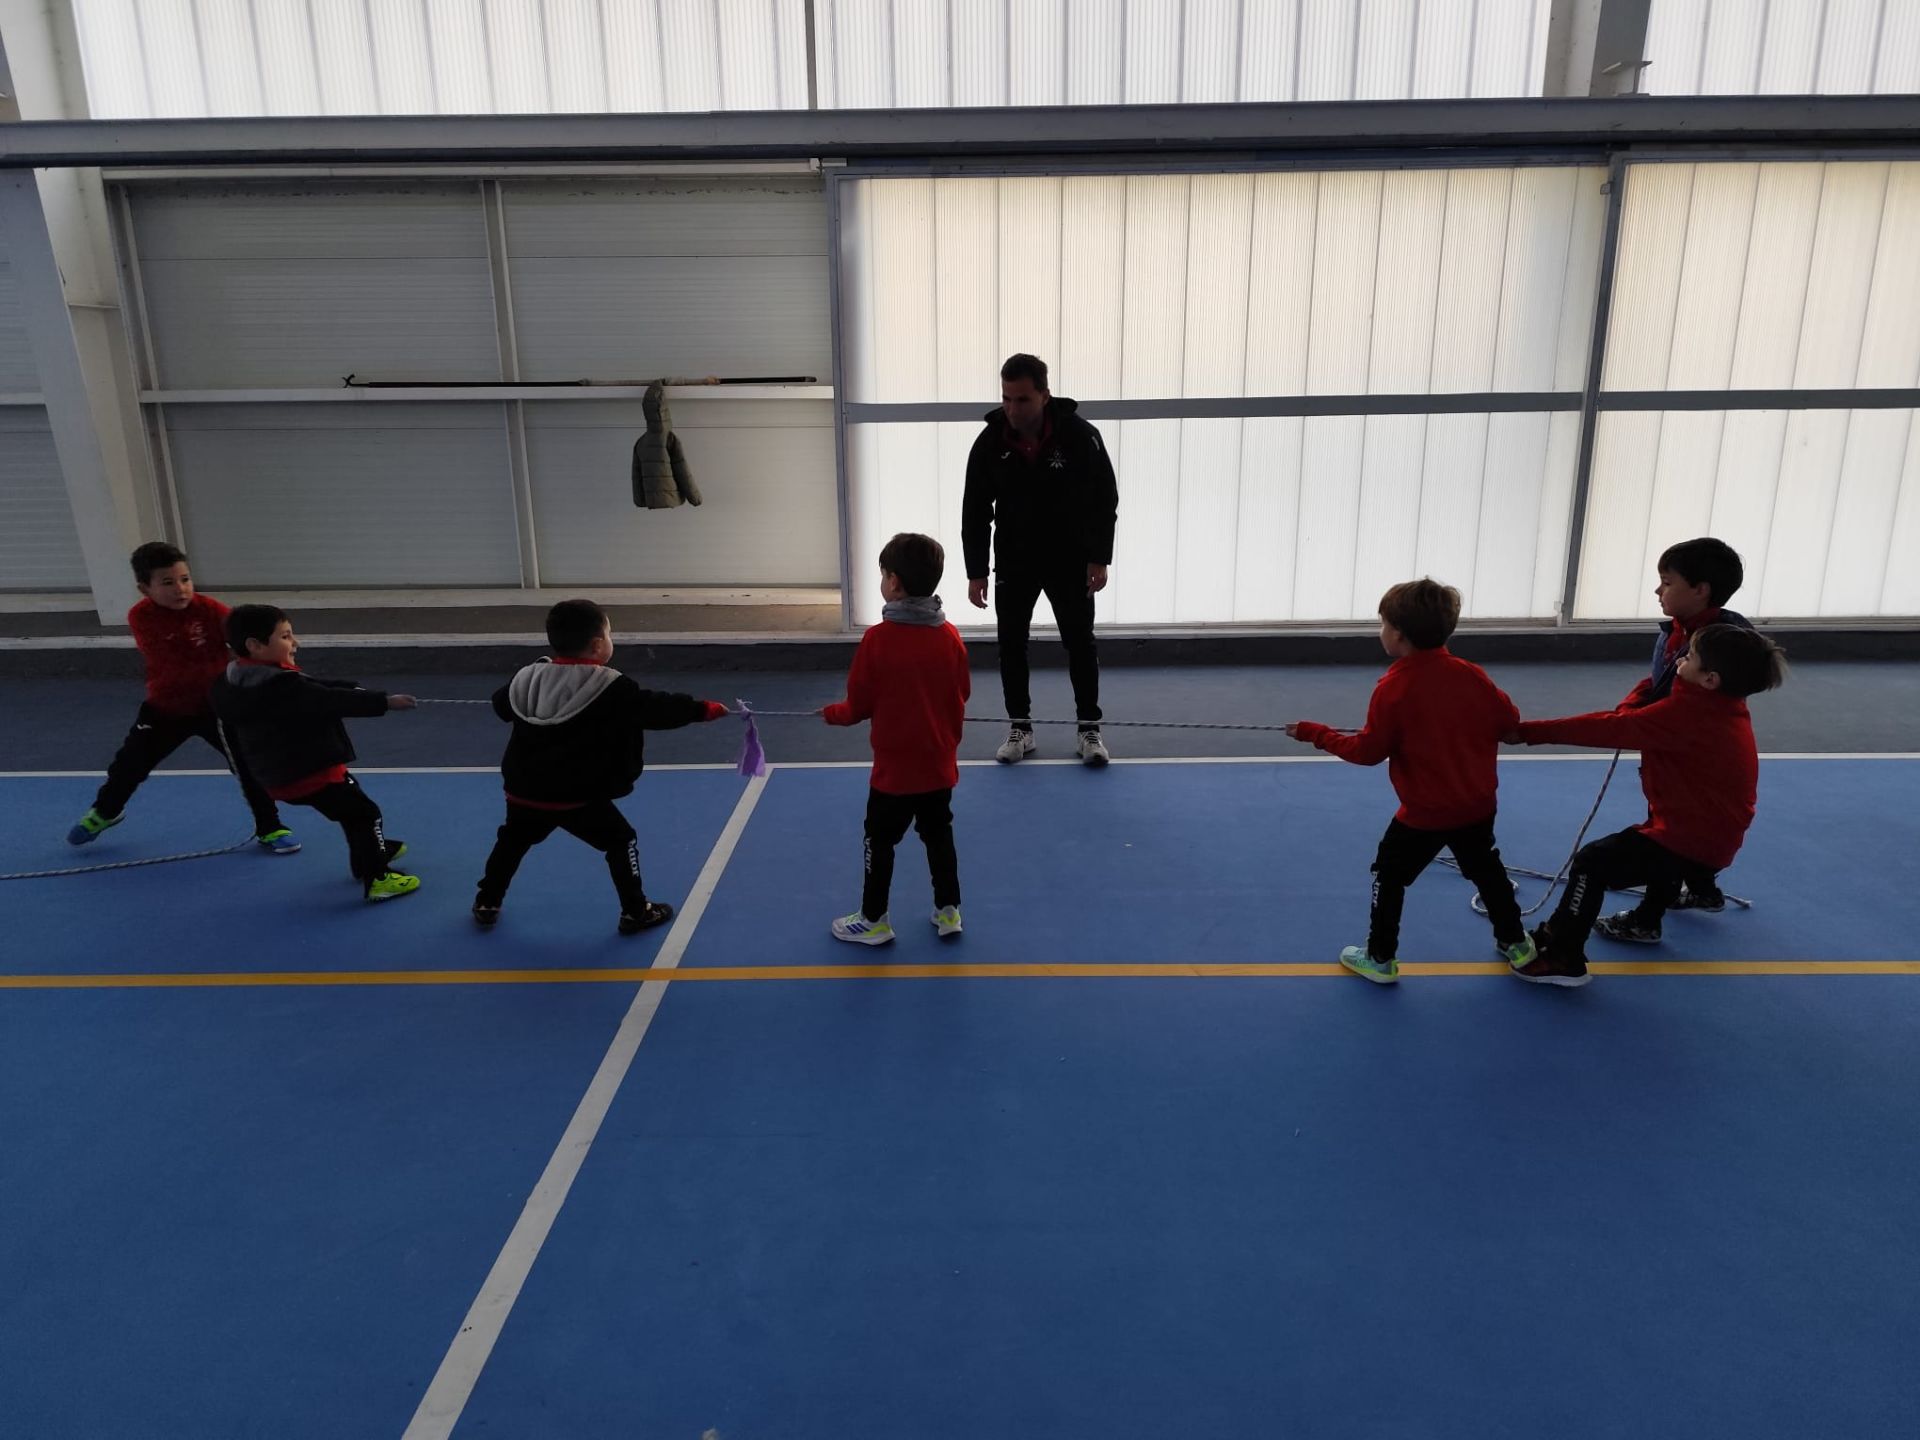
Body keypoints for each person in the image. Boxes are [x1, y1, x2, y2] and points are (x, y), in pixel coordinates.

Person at [1507, 624, 1788, 987]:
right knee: (1651, 856)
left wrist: (1527, 732)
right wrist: (1645, 690)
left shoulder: (1690, 717)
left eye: (1690, 658)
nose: (1680, 660)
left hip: (1691, 839)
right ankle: (1640, 923)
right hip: (1707, 834)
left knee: (1592, 863)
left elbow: (1609, 729)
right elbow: (1633, 722)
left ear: (1710, 679)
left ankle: (1564, 956)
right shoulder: (1720, 707)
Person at [1286, 579, 1533, 985]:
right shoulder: (1472, 675)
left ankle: (1380, 957)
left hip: (1423, 815)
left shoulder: (1394, 687)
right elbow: (1509, 723)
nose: (1381, 631)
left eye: (1383, 623)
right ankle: (1517, 944)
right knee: (1487, 870)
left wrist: (1317, 733)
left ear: (1397, 633)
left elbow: (1367, 752)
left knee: (1389, 875)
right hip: (1477, 806)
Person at [474, 599, 728, 934]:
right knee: (621, 841)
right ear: (597, 645)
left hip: (524, 791)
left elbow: (501, 705)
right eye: (609, 635)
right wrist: (701, 709)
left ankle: (487, 901)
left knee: (512, 841)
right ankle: (636, 911)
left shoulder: (528, 677)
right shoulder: (610, 686)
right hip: (577, 796)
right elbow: (654, 709)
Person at [67, 541, 296, 854]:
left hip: (217, 708)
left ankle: (270, 827)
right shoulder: (142, 617)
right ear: (144, 588)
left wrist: (276, 666)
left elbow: (248, 642)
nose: (180, 589)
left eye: (185, 579)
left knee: (247, 765)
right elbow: (175, 659)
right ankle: (106, 812)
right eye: (167, 583)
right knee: (128, 765)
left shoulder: (213, 610)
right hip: (165, 709)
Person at [962, 353, 1118, 768]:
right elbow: (975, 510)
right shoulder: (989, 443)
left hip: (1071, 560)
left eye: (1023, 400)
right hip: (1014, 561)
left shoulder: (1082, 437)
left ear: (1045, 396)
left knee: (1080, 643)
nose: (1012, 409)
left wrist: (1099, 557)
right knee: (1011, 645)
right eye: (1006, 398)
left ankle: (1089, 729)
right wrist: (976, 570)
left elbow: (1105, 501)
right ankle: (1021, 727)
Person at [210, 605, 419, 902]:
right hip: (312, 773)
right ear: (255, 646)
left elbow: (312, 686)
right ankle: (379, 877)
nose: (294, 642)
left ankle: (366, 856)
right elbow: (324, 698)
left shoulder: (238, 680)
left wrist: (353, 688)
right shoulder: (282, 687)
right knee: (365, 814)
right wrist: (385, 702)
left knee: (352, 809)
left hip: (279, 776)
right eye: (285, 636)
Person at [822, 533, 971, 946]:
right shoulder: (951, 636)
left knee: (879, 840)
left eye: (885, 573)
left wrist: (830, 715)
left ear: (894, 583)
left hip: (894, 775)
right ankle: (949, 910)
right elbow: (962, 693)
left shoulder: (878, 640)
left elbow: (857, 706)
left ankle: (873, 919)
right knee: (939, 836)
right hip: (939, 767)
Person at [1613, 536, 1755, 919]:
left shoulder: (1719, 646)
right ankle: (1704, 890)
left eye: (1667, 581)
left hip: (1688, 756)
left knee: (1670, 834)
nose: (1658, 590)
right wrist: (1634, 705)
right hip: (1667, 747)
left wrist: (1629, 723)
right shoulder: (1675, 632)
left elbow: (1683, 707)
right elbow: (1657, 682)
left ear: (1700, 590)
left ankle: (1647, 919)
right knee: (1675, 826)